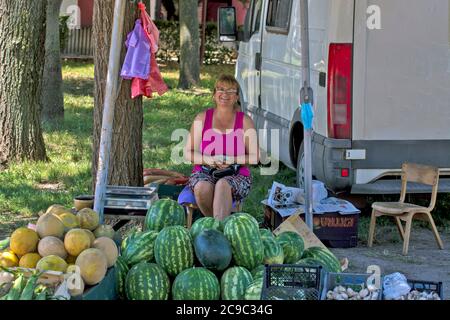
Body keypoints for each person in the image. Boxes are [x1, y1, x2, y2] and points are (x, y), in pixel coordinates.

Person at [184, 74, 259, 221]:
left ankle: (217, 229)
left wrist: (231, 160)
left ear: (237, 97)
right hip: (205, 171)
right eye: (221, 89)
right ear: (214, 95)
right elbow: (188, 153)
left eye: (231, 91)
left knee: (223, 185)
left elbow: (255, 157)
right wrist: (209, 159)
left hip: (237, 174)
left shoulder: (245, 121)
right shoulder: (202, 118)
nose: (225, 94)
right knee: (202, 188)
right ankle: (219, 226)